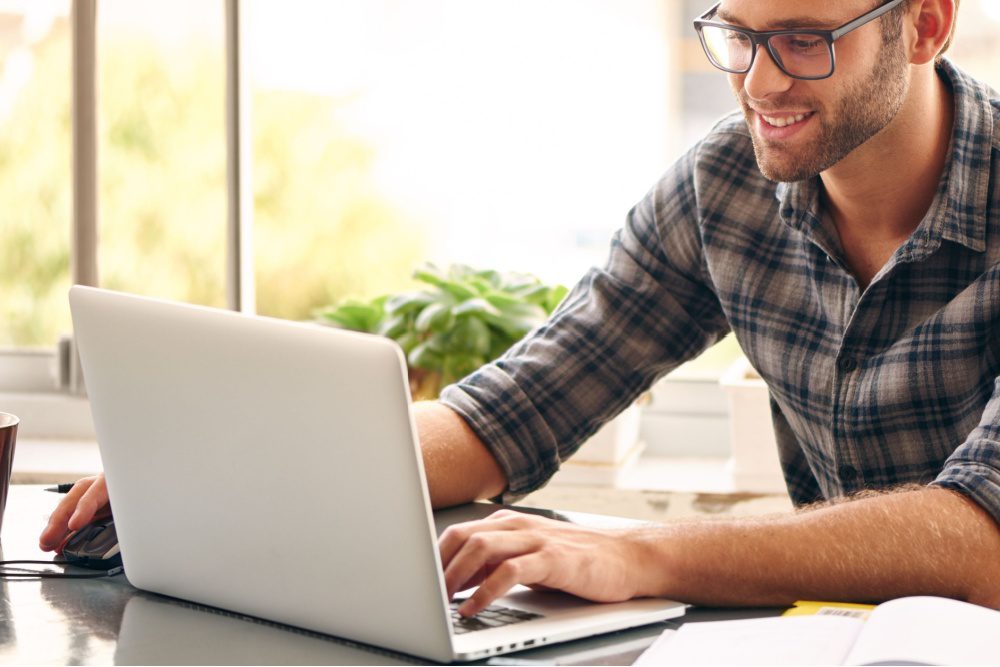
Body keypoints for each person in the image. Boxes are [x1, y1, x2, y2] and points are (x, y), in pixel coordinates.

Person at [41, 0, 1000, 616]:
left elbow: (976, 532)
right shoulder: (724, 187)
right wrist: (221, 470)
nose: (758, 81)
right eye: (737, 36)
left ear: (924, 26)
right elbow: (514, 407)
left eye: (804, 41)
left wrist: (638, 553)